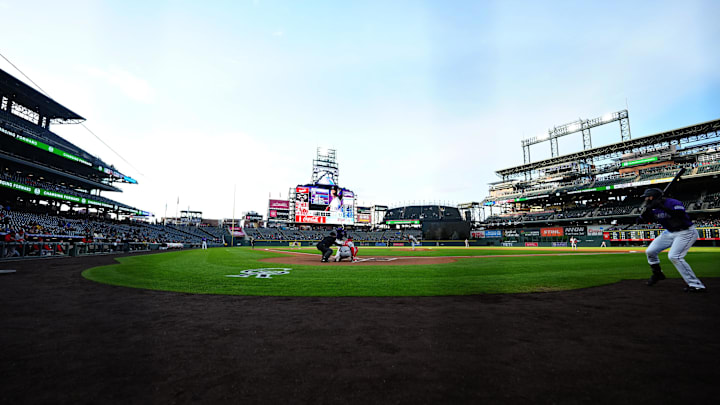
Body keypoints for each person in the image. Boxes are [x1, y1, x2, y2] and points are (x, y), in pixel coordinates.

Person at [639, 188, 706, 292]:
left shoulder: (673, 202)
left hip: (686, 232)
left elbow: (680, 215)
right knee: (650, 251)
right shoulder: (652, 207)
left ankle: (696, 285)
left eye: (648, 197)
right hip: (669, 232)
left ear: (653, 197)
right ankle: (657, 274)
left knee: (675, 256)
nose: (646, 199)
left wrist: (662, 207)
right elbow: (643, 220)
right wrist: (645, 213)